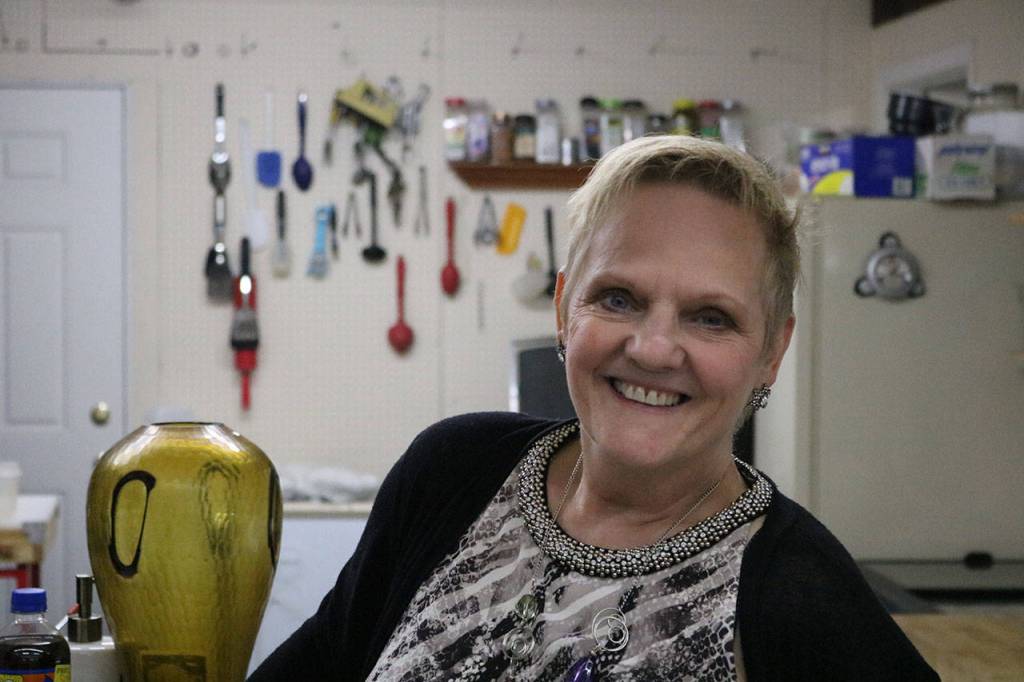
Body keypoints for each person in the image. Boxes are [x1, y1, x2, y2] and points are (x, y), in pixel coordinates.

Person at [249, 136, 938, 681]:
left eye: (710, 317)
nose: (654, 347)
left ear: (771, 351)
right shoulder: (452, 473)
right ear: (562, 308)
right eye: (618, 299)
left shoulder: (799, 596)